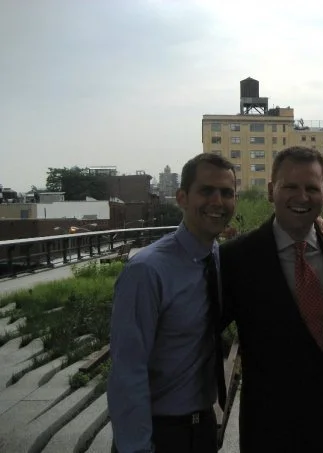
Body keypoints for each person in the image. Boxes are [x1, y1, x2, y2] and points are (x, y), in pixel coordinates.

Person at [220, 146, 323, 453]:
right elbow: (203, 332)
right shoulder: (236, 259)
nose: (302, 197)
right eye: (291, 187)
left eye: (312, 188)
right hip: (272, 431)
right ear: (272, 191)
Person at [107, 154, 235, 453]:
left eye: (227, 193)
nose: (218, 201)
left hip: (202, 427)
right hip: (159, 433)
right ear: (182, 197)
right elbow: (127, 369)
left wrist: (313, 221)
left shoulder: (218, 259)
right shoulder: (147, 271)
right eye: (206, 191)